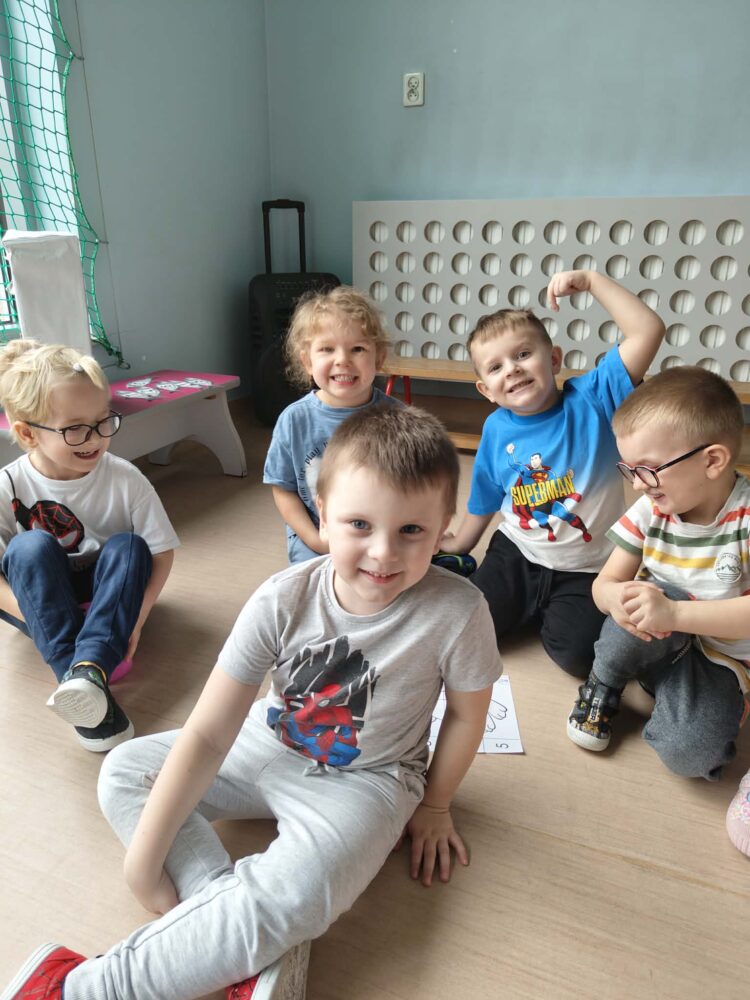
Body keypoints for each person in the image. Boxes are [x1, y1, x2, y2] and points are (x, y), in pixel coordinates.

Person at [2, 404, 502, 1000]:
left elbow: (467, 716)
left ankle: (80, 988)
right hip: (265, 743)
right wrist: (144, 859)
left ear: (445, 527)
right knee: (123, 770)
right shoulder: (281, 597)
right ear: (322, 514)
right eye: (360, 524)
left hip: (371, 778)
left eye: (411, 531)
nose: (383, 553)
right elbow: (208, 734)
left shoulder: (459, 610)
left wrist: (436, 806)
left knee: (300, 892)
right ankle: (238, 942)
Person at [440, 269, 665, 677]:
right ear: (486, 390)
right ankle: (525, 605)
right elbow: (487, 492)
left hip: (588, 568)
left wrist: (593, 282)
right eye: (495, 367)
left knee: (579, 658)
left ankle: (545, 612)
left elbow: (648, 331)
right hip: (518, 553)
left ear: (554, 359)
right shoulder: (495, 428)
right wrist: (461, 543)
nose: (512, 369)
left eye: (523, 354)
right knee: (468, 631)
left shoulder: (593, 399)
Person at [564, 367, 750, 855]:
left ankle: (670, 694)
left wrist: (675, 616)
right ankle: (604, 685)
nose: (638, 484)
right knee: (638, 599)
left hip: (723, 658)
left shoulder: (746, 518)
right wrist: (617, 601)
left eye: (647, 469)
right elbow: (604, 585)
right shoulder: (651, 510)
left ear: (712, 461)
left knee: (692, 757)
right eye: (629, 470)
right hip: (658, 632)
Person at [0, 341, 178, 751]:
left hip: (109, 596)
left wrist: (136, 621)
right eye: (75, 428)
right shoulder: (8, 485)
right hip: (41, 600)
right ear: (27, 433)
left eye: (103, 421)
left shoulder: (125, 478)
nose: (95, 438)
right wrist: (41, 619)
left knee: (130, 546)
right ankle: (85, 671)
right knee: (28, 547)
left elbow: (161, 554)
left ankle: (86, 667)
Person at [263, 284, 399, 563]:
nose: (342, 361)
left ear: (379, 357)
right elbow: (283, 489)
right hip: (316, 536)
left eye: (357, 349)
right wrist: (315, 539)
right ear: (307, 362)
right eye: (327, 349)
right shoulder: (294, 420)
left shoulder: (398, 418)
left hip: (380, 535)